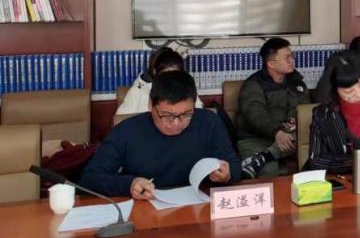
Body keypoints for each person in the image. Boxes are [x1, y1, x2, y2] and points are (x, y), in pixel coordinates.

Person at [81, 70, 240, 199]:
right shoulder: (126, 131)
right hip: (145, 209)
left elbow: (234, 165)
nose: (177, 123)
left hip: (198, 206)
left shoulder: (209, 122)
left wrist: (227, 174)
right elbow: (90, 178)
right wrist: (130, 184)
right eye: (167, 116)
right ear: (150, 105)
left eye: (186, 114)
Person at [236, 37, 312, 178]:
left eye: (292, 56)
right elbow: (255, 115)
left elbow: (304, 108)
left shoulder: (297, 82)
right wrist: (277, 131)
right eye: (287, 58)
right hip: (255, 139)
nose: (292, 60)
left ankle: (264, 156)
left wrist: (294, 121)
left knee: (309, 132)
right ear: (271, 64)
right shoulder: (253, 85)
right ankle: (265, 157)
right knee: (269, 171)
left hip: (289, 134)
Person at [116, 47, 204, 117]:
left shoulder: (187, 89)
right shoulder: (138, 91)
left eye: (175, 75)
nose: (170, 79)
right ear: (155, 72)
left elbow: (200, 117)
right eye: (166, 75)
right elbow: (120, 121)